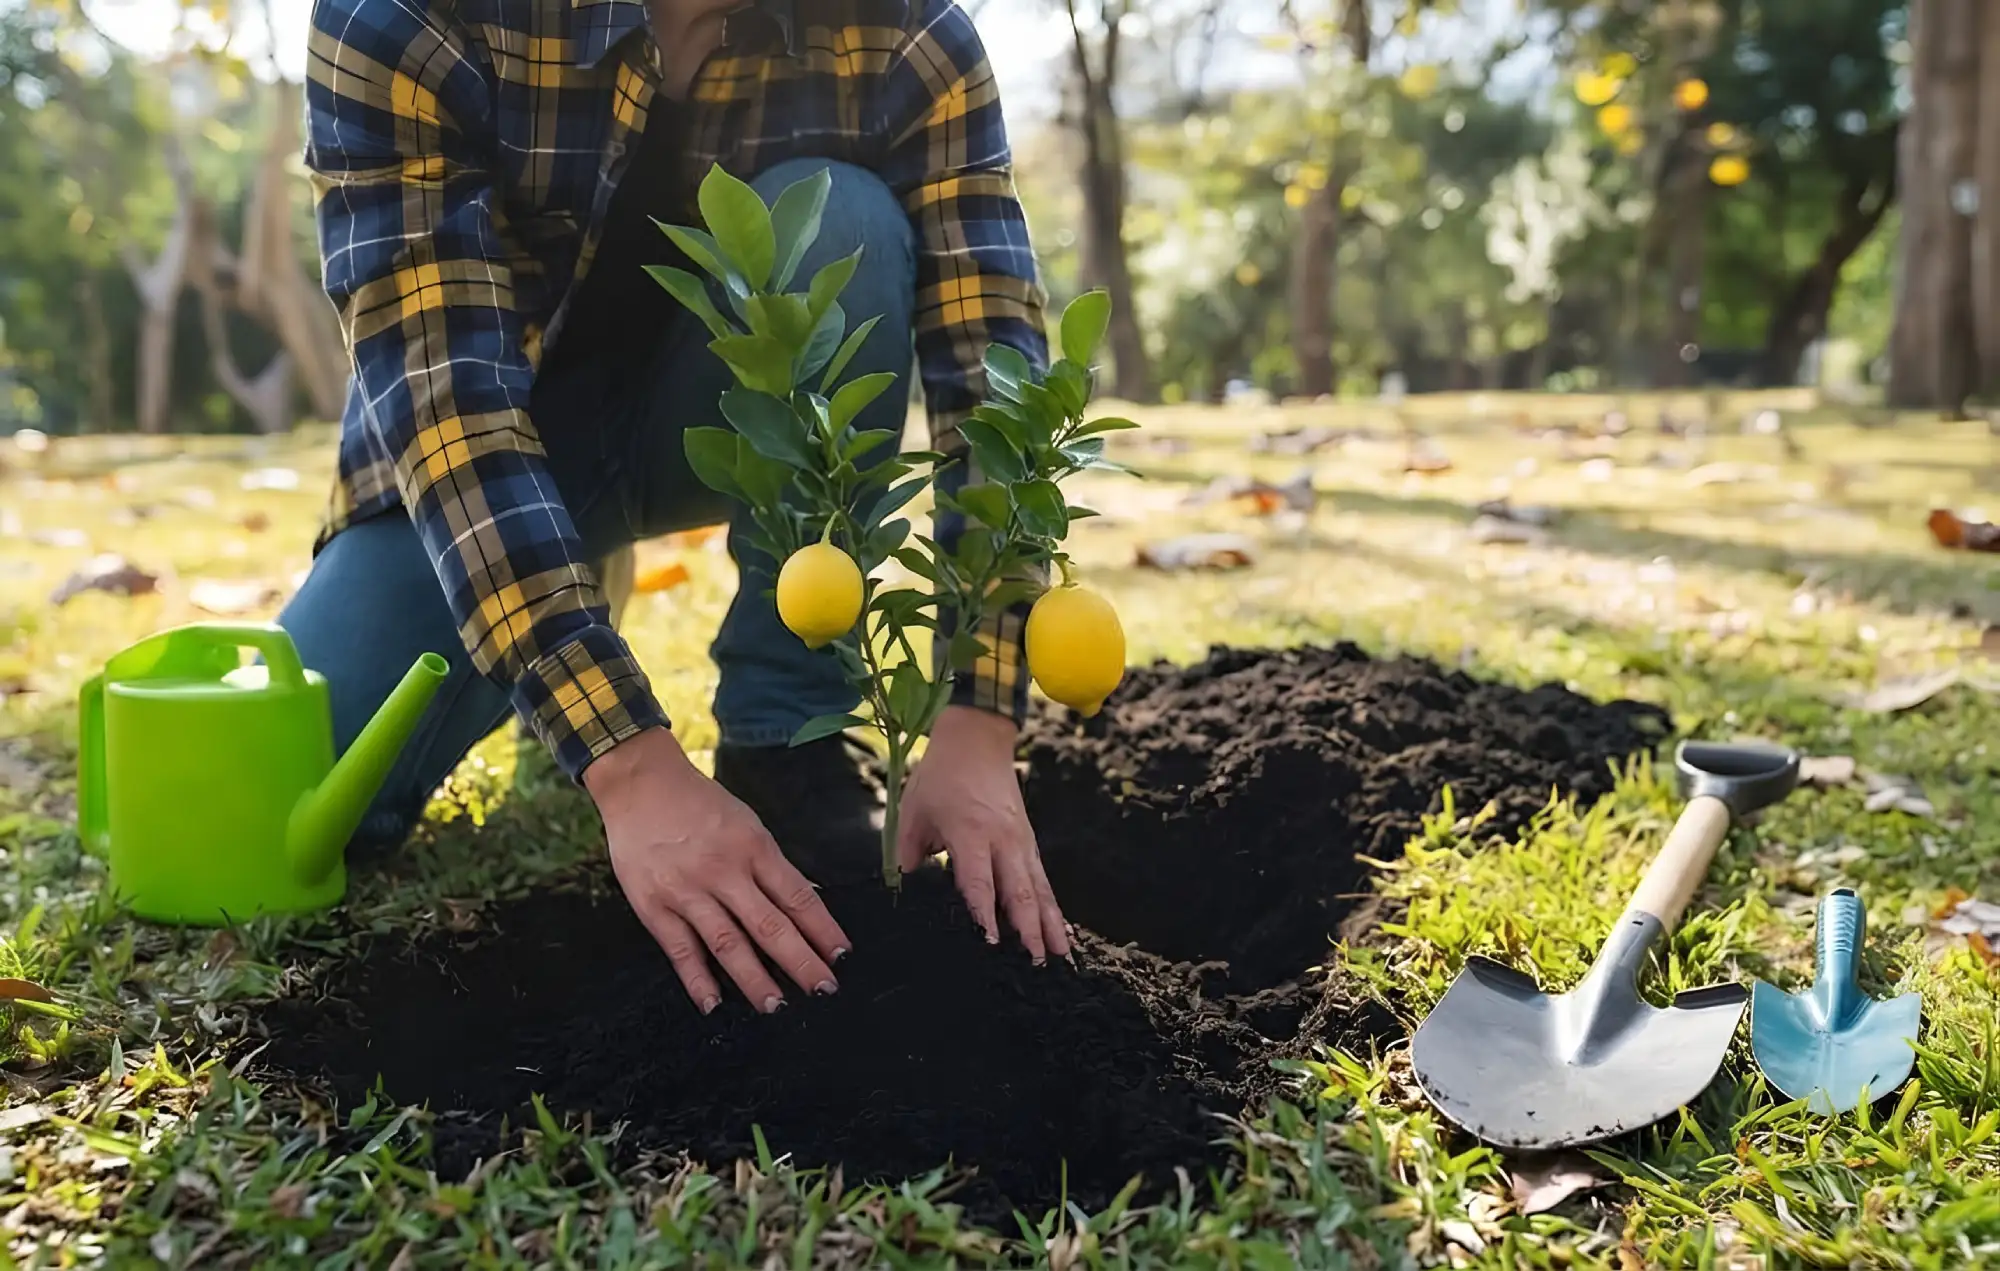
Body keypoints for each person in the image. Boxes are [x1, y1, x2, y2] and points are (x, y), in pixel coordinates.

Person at [286, 0, 1071, 1016]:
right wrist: (631, 767)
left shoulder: (905, 32)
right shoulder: (404, 16)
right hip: (499, 455)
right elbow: (446, 407)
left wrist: (977, 720)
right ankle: (580, 567)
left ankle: (785, 735)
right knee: (301, 803)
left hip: (720, 423)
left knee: (840, 217)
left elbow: (989, 366)